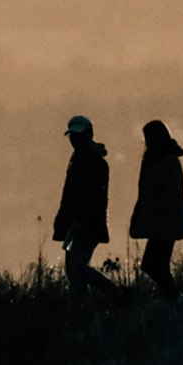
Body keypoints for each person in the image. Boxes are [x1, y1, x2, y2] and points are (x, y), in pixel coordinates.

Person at [52, 114, 113, 297]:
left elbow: (91, 196)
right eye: (72, 135)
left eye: (78, 135)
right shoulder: (81, 159)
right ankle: (84, 307)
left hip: (86, 223)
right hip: (79, 222)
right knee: (74, 270)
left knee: (76, 268)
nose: (74, 139)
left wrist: (78, 219)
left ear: (89, 134)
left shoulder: (92, 162)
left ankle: (117, 295)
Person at [130, 119, 183, 289]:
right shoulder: (154, 160)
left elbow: (170, 193)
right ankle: (175, 301)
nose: (147, 142)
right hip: (160, 221)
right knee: (157, 266)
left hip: (166, 221)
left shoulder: (167, 160)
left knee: (152, 265)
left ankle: (177, 299)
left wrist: (153, 213)